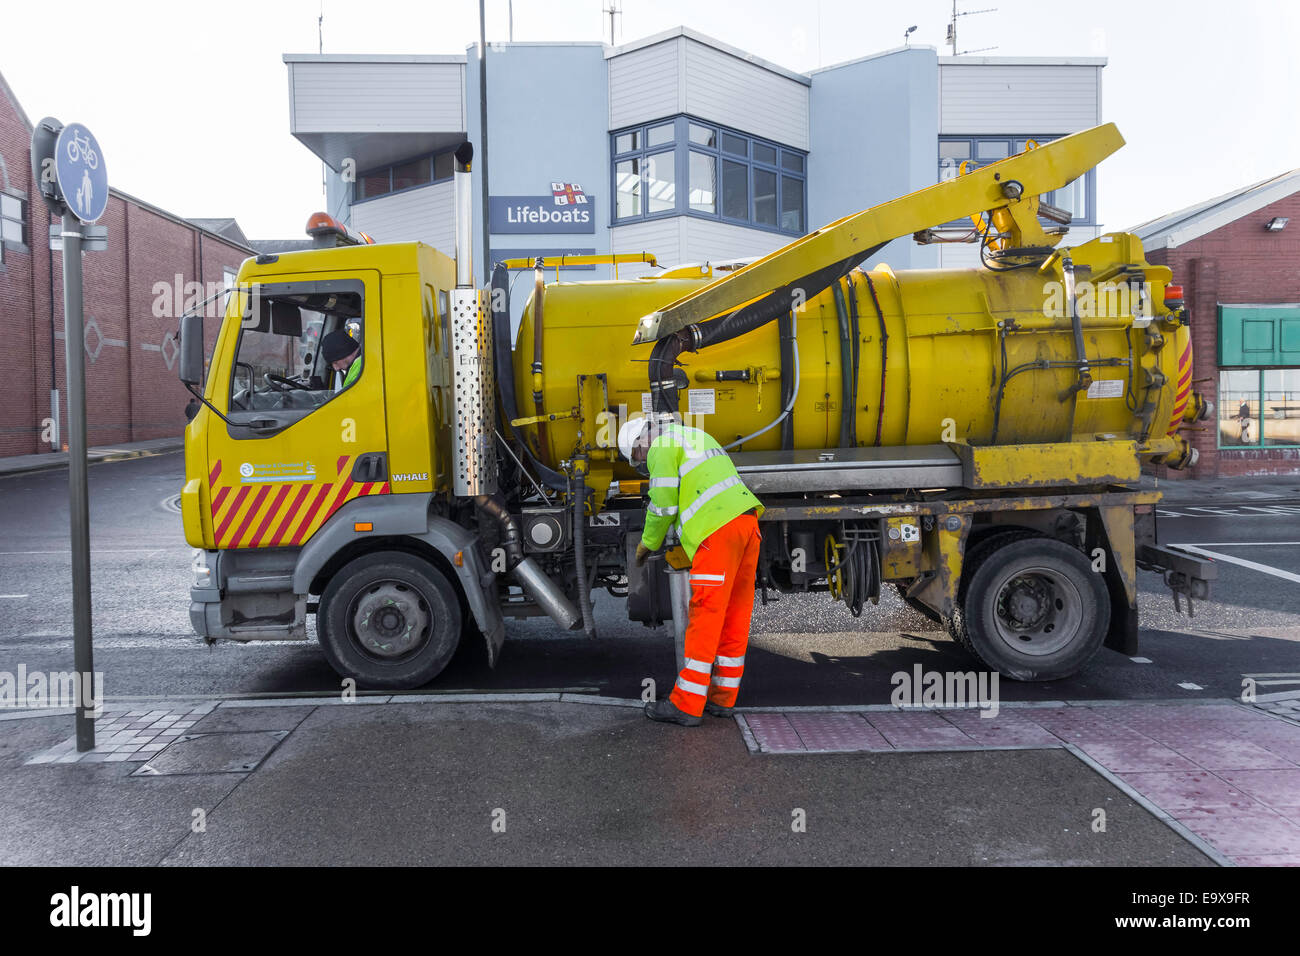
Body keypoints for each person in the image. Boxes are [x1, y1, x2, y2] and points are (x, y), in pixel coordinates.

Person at [618, 416, 764, 727]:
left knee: (706, 614)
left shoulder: (660, 446)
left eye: (638, 460)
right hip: (747, 525)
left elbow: (663, 507)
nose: (644, 465)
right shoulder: (696, 436)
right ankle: (723, 699)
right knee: (735, 614)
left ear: (639, 442)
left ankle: (687, 704)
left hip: (717, 534)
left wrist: (647, 544)